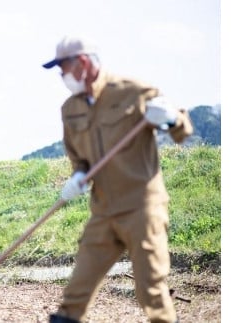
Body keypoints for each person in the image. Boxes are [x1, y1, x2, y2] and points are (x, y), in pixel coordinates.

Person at [42, 35, 194, 323]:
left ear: (83, 63)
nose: (62, 76)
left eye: (63, 68)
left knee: (151, 290)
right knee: (76, 291)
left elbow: (182, 132)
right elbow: (80, 159)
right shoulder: (70, 109)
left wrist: (172, 118)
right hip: (104, 211)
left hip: (142, 208)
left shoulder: (133, 91)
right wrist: (77, 177)